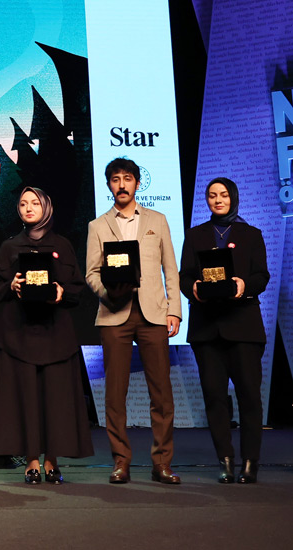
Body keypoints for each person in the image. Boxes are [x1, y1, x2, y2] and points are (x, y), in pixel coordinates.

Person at [0, 187, 93, 484]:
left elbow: (78, 289)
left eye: (35, 203)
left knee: (55, 400)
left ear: (47, 207)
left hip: (56, 335)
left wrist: (61, 292)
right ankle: (31, 460)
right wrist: (11, 286)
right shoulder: (9, 246)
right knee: (26, 400)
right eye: (23, 203)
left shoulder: (62, 244)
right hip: (18, 336)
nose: (28, 208)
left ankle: (51, 460)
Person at [86, 157, 182, 484]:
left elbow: (170, 269)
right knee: (115, 394)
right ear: (109, 185)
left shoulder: (158, 220)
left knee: (162, 392)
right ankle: (120, 461)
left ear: (137, 183)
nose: (122, 184)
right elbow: (91, 273)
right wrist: (108, 294)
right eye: (115, 179)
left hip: (154, 313)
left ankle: (162, 462)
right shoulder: (98, 226)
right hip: (115, 314)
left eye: (127, 178)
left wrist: (174, 309)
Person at [179, 177, 269, 484]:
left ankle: (250, 462)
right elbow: (184, 276)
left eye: (224, 195)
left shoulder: (252, 234)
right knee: (214, 398)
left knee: (249, 397)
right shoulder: (195, 235)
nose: (218, 200)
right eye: (212, 195)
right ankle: (226, 461)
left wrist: (244, 285)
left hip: (244, 327)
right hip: (207, 330)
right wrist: (194, 288)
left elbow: (262, 276)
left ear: (233, 197)